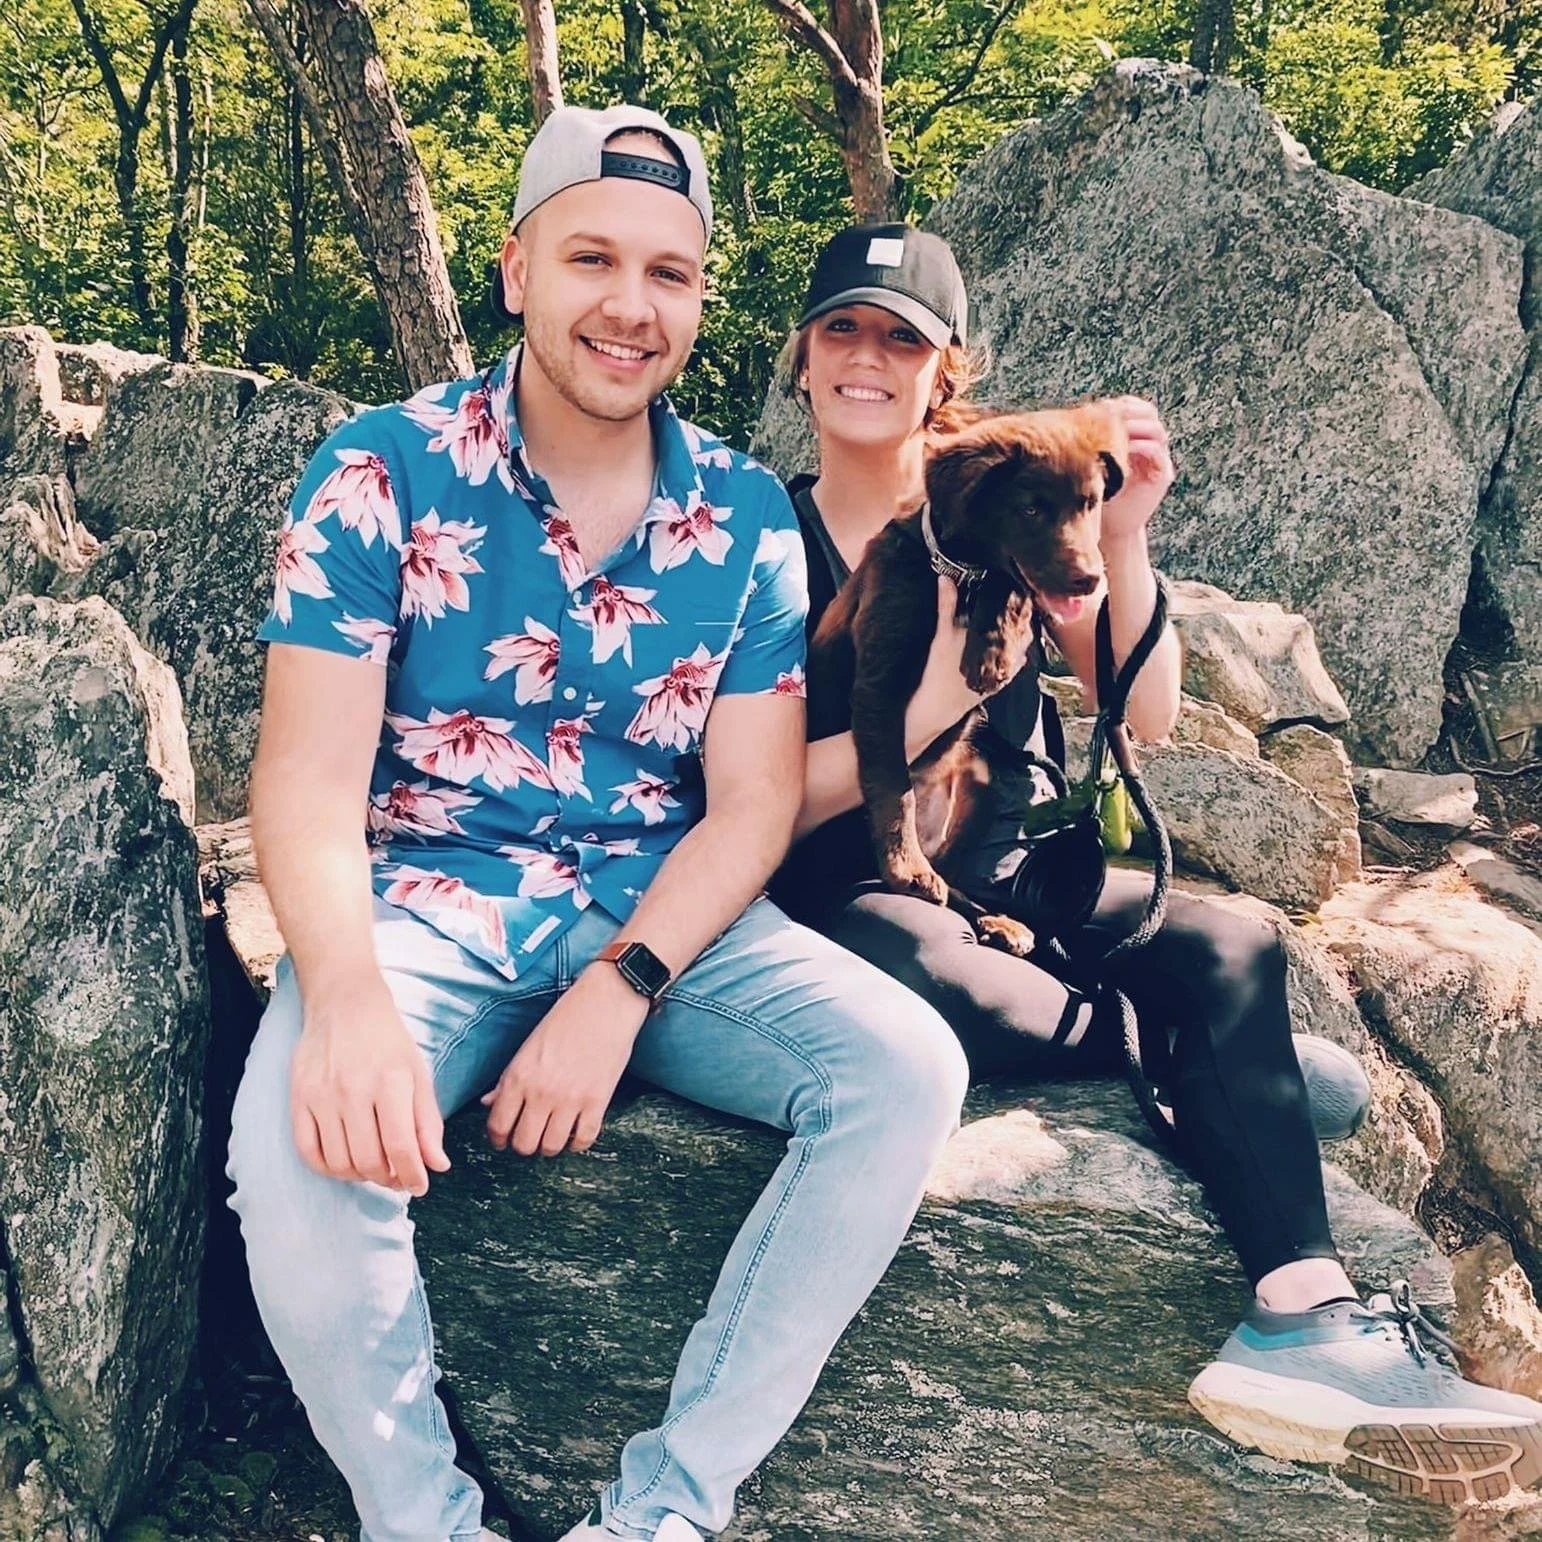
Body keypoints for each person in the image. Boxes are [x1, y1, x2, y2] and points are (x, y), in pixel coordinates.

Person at [225, 112, 973, 1542]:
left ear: (700, 301)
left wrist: (618, 989)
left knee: (900, 1069)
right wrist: (349, 1003)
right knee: (293, 1146)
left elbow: (749, 801)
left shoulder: (744, 514)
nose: (630, 307)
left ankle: (666, 1512)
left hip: (658, 904)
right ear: (515, 269)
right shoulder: (378, 471)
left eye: (670, 275)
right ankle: (425, 1522)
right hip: (424, 901)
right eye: (591, 258)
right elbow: (305, 780)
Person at [768, 221, 1542, 1503]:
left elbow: (1144, 716)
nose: (867, 358)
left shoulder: (1032, 502)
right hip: (853, 877)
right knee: (961, 991)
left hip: (1011, 865)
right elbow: (750, 798)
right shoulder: (756, 533)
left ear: (943, 370)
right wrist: (927, 710)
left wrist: (1125, 534)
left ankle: (1303, 1315)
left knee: (1234, 938)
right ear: (801, 360)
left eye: (900, 337)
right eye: (842, 330)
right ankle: (1224, 1073)